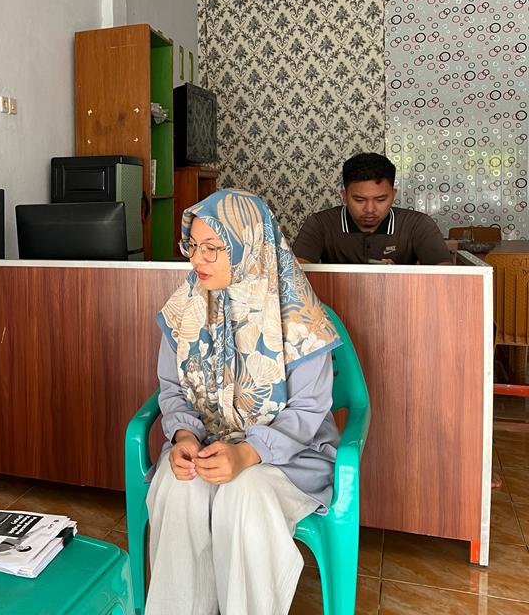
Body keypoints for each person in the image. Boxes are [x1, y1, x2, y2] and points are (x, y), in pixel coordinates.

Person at [145, 189, 341, 615]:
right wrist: (183, 436)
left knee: (244, 493)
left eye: (213, 248)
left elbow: (308, 411)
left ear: (250, 247)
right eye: (192, 245)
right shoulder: (184, 309)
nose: (197, 260)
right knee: (178, 486)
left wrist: (248, 453)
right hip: (208, 442)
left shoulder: (300, 321)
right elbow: (172, 387)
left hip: (289, 456)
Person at [293, 152, 451, 265]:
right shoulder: (320, 224)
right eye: (359, 200)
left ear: (393, 195)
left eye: (381, 199)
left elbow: (444, 274)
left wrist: (400, 275)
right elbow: (295, 274)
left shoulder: (417, 224)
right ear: (344, 196)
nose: (370, 209)